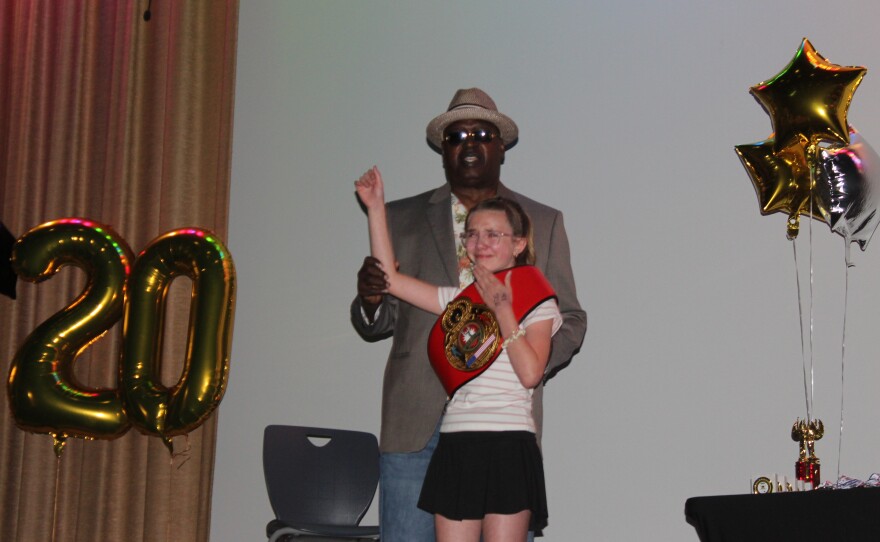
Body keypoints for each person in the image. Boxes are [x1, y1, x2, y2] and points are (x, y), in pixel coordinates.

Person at [350, 88, 586, 541]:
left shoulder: (542, 220)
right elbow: (386, 304)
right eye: (457, 135)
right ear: (444, 149)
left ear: (501, 147)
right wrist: (373, 297)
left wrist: (523, 355)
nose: (470, 142)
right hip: (414, 420)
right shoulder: (402, 217)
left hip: (505, 426)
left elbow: (570, 318)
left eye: (483, 133)